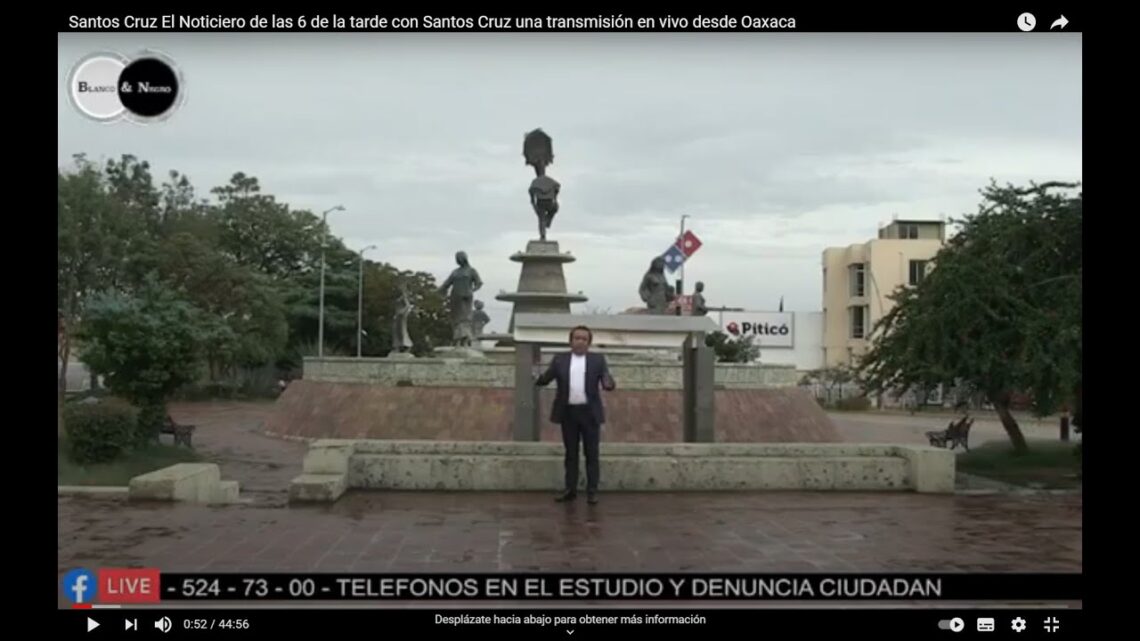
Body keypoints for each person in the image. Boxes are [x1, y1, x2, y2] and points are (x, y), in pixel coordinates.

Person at [534, 325, 616, 504]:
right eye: (577, 338)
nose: (580, 342)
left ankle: (592, 491)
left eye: (584, 339)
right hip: (568, 413)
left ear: (589, 343)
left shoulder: (597, 360)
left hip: (589, 413)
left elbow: (606, 378)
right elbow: (547, 378)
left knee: (591, 453)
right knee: (571, 453)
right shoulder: (560, 360)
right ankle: (570, 489)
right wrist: (535, 378)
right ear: (570, 341)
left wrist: (609, 383)